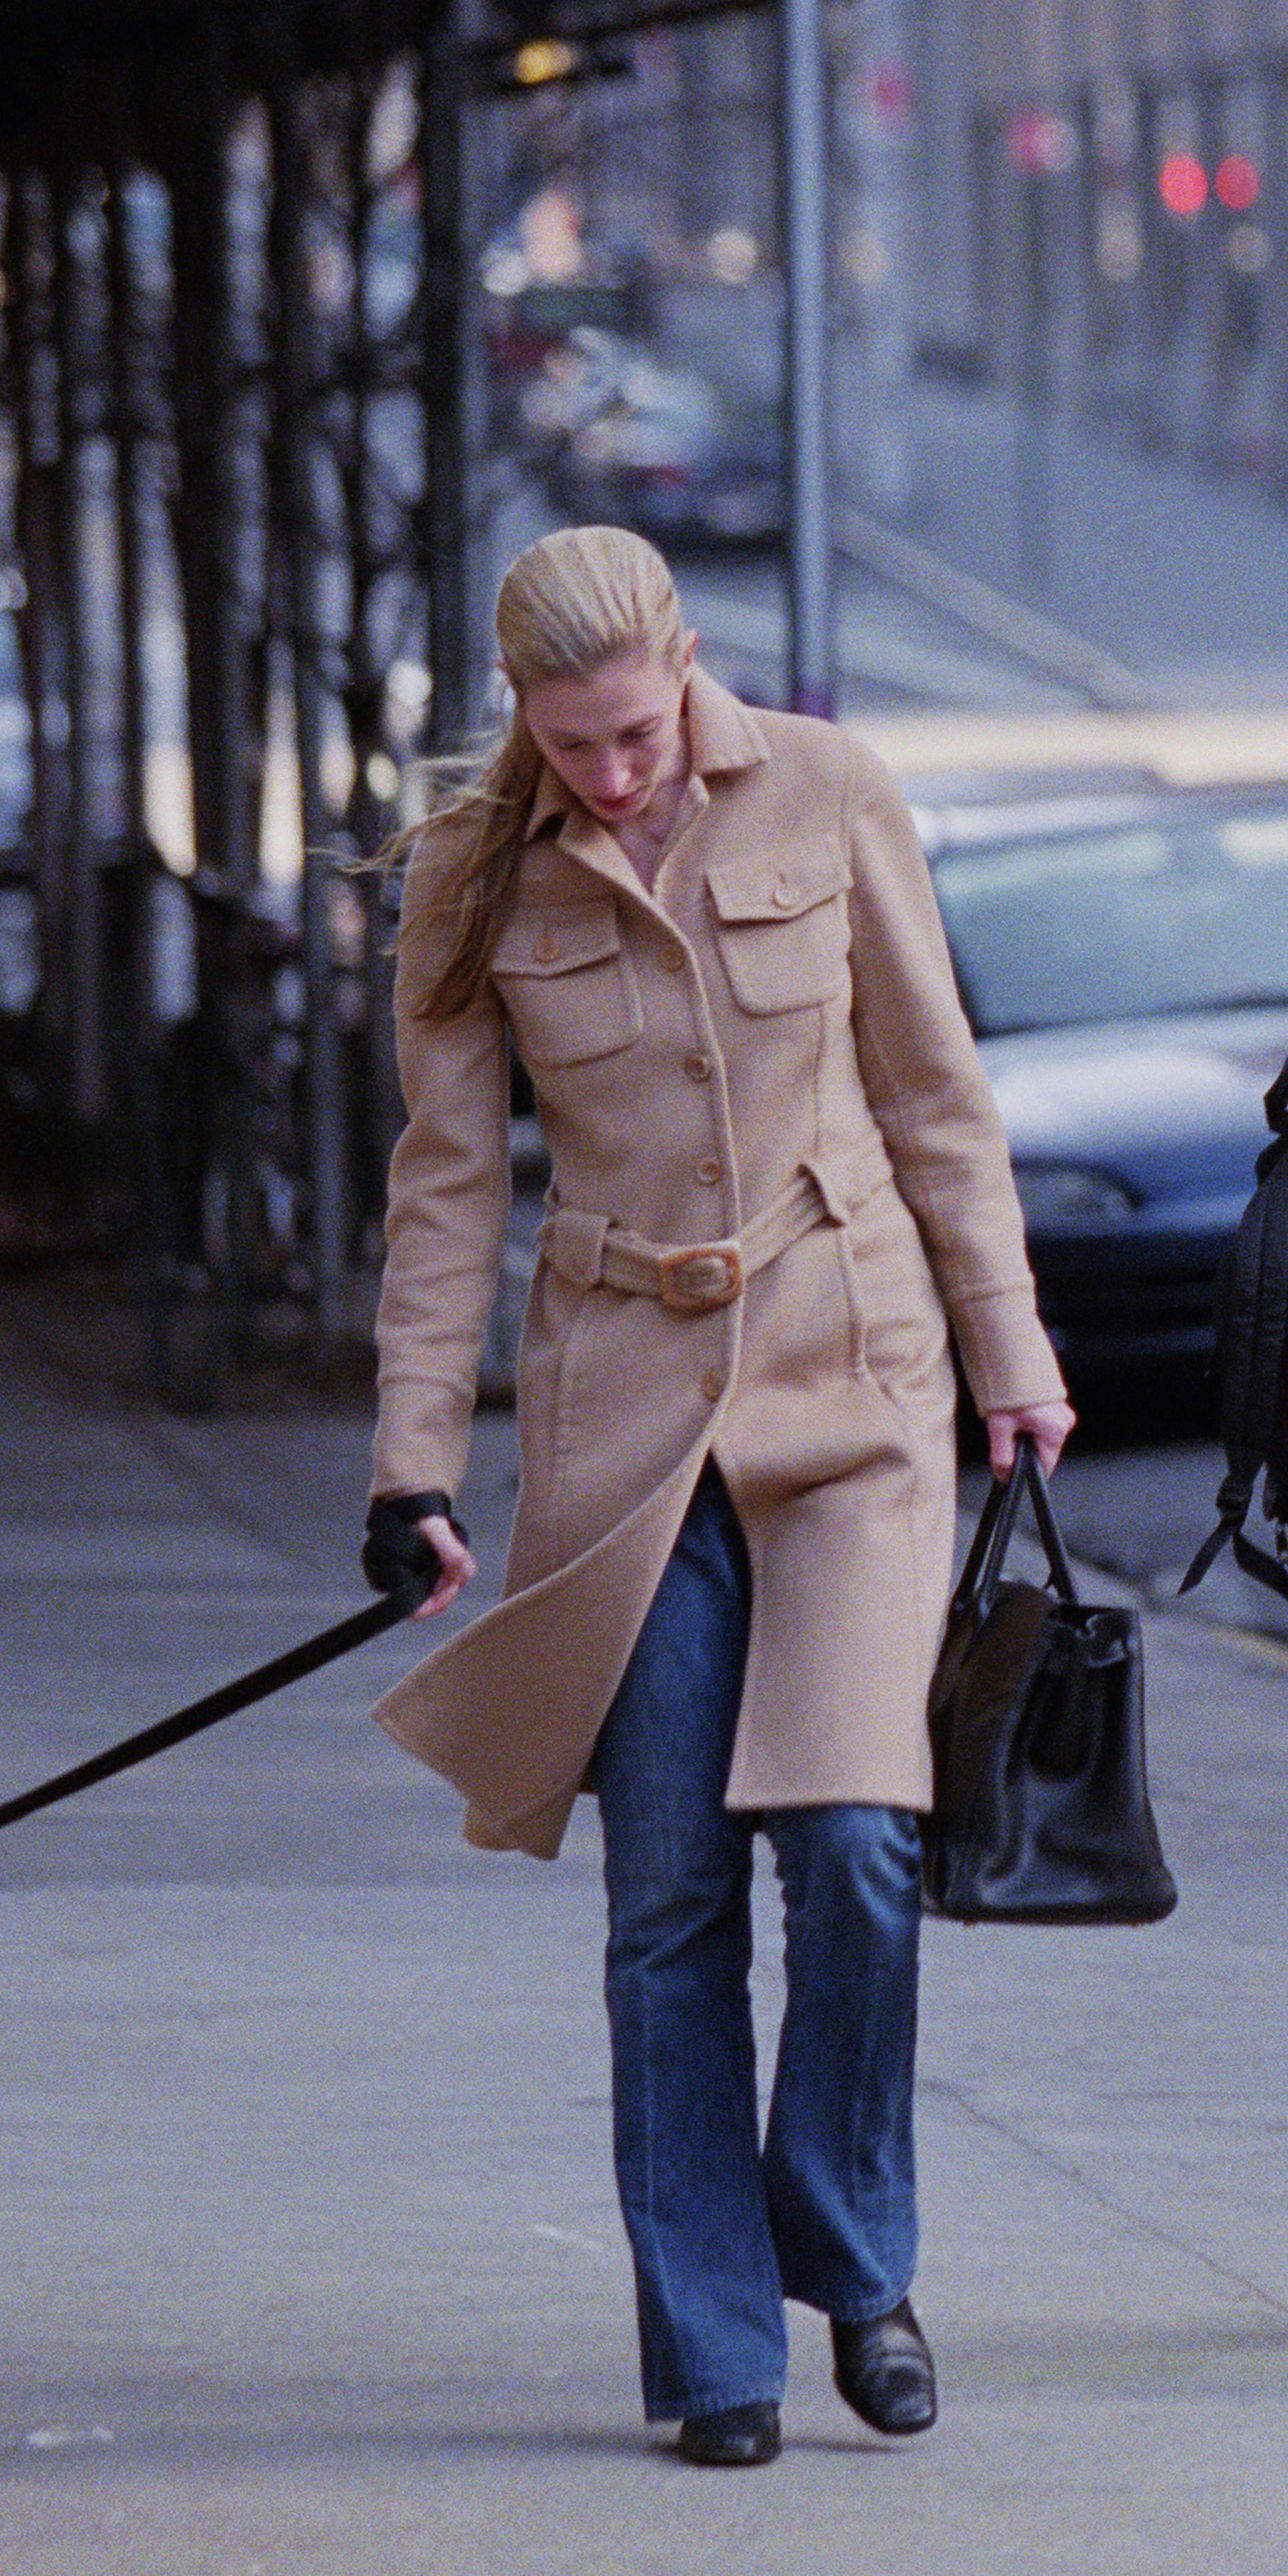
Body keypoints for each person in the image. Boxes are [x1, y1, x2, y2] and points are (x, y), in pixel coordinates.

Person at [358, 525, 1072, 2468]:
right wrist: (410, 1456)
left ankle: (853, 2256)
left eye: (636, 729)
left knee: (853, 1850)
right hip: (627, 1428)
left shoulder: (831, 791)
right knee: (669, 1898)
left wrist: (1014, 1356)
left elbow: (937, 1096)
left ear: (687, 662)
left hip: (855, 1386)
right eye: (572, 745)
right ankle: (715, 2348)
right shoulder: (475, 874)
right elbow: (444, 1194)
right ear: (519, 716)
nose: (616, 774)